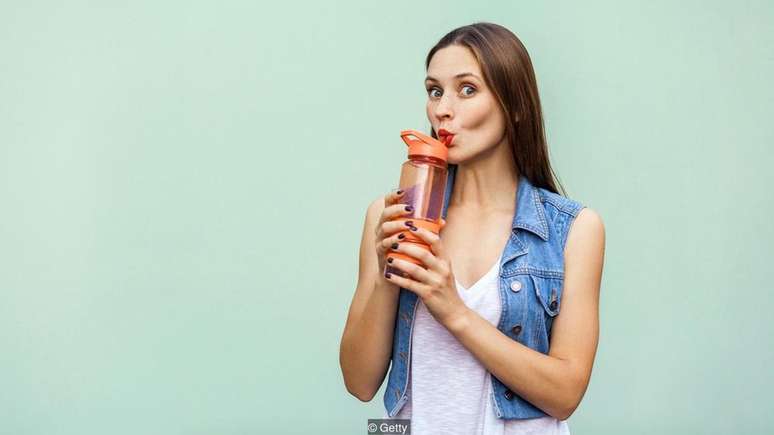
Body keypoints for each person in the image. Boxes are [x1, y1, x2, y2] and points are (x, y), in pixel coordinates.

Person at [339, 22, 605, 435]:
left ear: (514, 104)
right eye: (434, 90)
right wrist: (388, 275)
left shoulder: (574, 230)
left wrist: (454, 312)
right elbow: (359, 383)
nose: (443, 108)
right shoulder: (389, 214)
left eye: (467, 89)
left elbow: (565, 394)